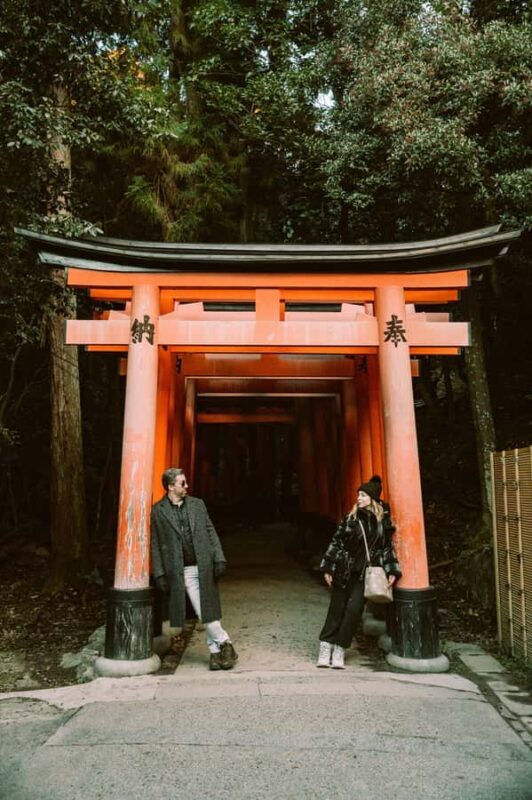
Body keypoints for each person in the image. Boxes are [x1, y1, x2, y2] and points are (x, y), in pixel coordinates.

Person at [150, 467, 238, 671]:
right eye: (182, 483)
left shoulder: (198, 505)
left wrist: (219, 558)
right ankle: (225, 644)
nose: (187, 486)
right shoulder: (158, 510)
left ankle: (216, 653)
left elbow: (210, 531)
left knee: (206, 610)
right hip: (183, 570)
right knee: (202, 610)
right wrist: (160, 573)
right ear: (171, 486)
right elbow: (155, 543)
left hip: (204, 564)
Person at [316, 475, 401, 669]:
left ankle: (339, 648)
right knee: (336, 609)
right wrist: (328, 567)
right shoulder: (351, 518)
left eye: (363, 495)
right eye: (358, 495)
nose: (359, 498)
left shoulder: (381, 523)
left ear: (372, 498)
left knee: (353, 612)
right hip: (344, 570)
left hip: (366, 575)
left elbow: (386, 548)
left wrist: (391, 569)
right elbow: (336, 542)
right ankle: (325, 646)